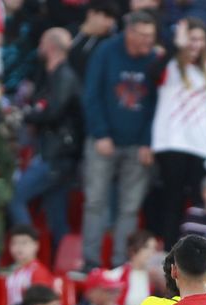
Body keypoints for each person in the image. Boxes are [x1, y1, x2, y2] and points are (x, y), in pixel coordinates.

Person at [80, 10, 159, 270]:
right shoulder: (106, 51)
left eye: (152, 35)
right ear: (130, 32)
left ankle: (121, 264)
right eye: (143, 35)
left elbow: (158, 104)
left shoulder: (154, 59)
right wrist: (100, 133)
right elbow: (92, 94)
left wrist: (148, 141)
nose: (149, 41)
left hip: (138, 144)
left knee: (129, 208)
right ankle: (90, 262)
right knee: (94, 201)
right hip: (103, 140)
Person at [147, 16, 206, 246]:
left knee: (197, 201)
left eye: (200, 39)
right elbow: (152, 73)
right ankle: (169, 252)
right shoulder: (170, 65)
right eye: (192, 39)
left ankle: (196, 250)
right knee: (172, 200)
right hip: (171, 143)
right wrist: (176, 45)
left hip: (200, 145)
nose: (196, 44)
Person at [8, 27, 82, 251]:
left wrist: (25, 115)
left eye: (41, 43)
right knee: (57, 216)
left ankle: (27, 251)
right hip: (57, 154)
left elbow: (53, 111)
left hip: (56, 154)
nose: (39, 48)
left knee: (15, 197)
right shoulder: (52, 75)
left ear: (49, 46)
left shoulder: (64, 76)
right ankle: (60, 265)